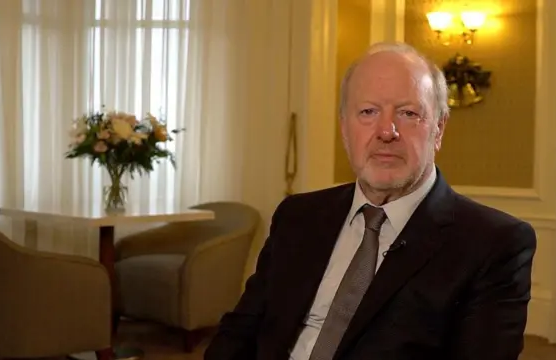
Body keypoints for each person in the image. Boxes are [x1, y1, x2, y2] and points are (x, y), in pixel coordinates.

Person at [204, 42, 537, 360]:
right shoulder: (298, 216)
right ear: (345, 129)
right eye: (367, 111)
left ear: (438, 129)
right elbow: (241, 330)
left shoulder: (494, 244)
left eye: (408, 113)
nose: (386, 131)